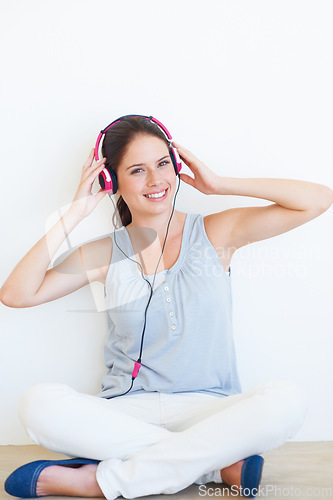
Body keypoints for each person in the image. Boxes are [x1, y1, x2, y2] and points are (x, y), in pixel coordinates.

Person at [1, 115, 332, 499]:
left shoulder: (215, 233)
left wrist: (219, 185)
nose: (156, 180)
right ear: (111, 181)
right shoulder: (104, 252)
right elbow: (16, 295)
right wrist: (75, 213)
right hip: (126, 411)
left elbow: (318, 199)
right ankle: (213, 464)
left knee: (286, 399)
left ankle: (101, 482)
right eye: (137, 170)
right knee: (37, 404)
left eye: (162, 164)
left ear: (176, 166)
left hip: (212, 411)